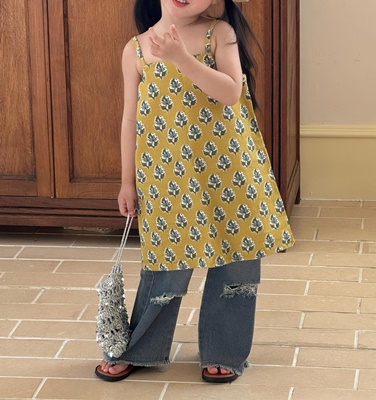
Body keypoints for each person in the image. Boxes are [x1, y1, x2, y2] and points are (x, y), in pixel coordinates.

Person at [95, 0, 294, 383]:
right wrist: (126, 181)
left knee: (236, 265)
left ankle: (225, 351)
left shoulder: (220, 34)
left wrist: (182, 58)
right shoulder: (136, 49)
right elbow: (130, 118)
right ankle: (140, 348)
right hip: (167, 180)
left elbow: (231, 92)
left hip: (230, 173)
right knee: (164, 267)